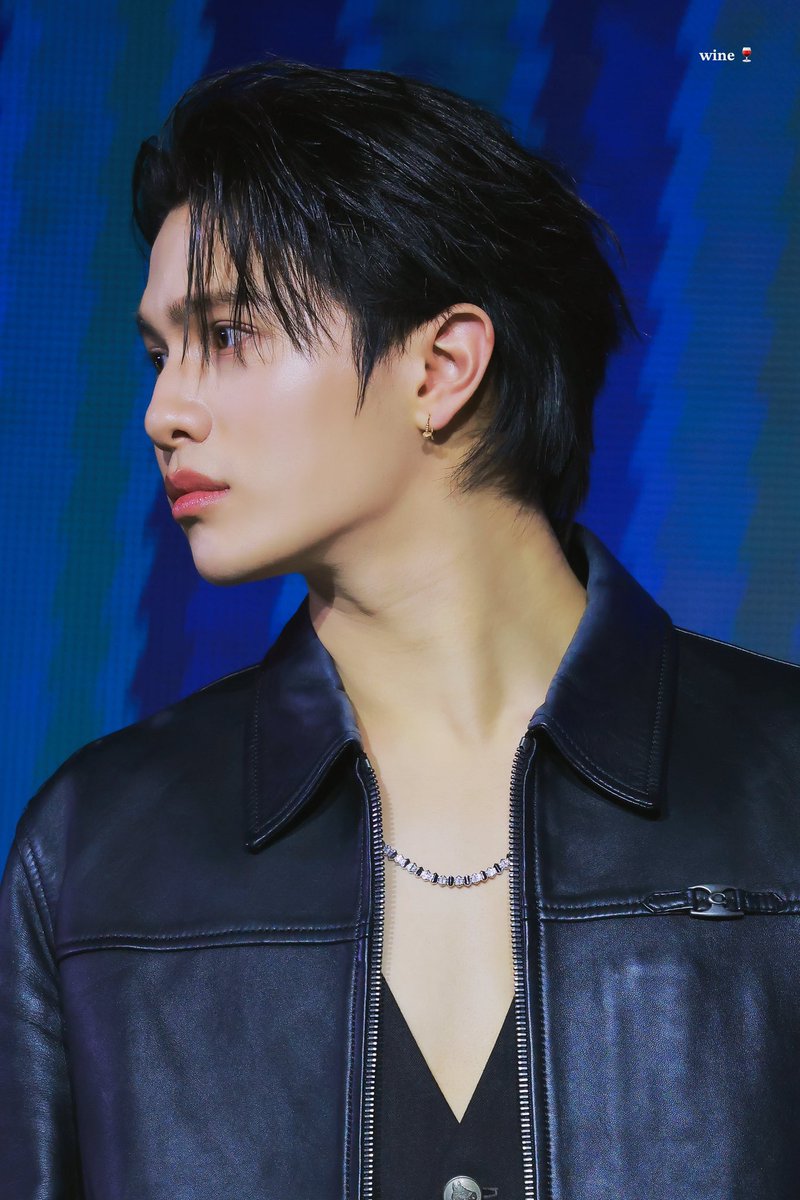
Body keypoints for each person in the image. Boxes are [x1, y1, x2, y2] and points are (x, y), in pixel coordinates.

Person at [1, 58, 799, 1200]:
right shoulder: (91, 852)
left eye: (226, 333)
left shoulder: (779, 791)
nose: (163, 411)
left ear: (442, 366)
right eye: (158, 355)